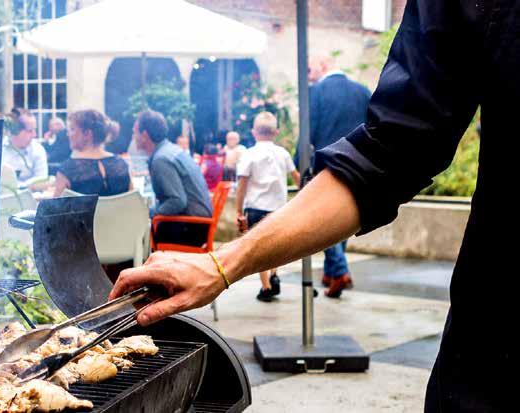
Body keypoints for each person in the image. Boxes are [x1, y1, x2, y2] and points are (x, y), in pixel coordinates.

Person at [112, 0, 516, 410]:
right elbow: (390, 153)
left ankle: (335, 272)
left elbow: (376, 153)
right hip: (494, 354)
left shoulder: (319, 95)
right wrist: (221, 264)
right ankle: (337, 272)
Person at [294, 55, 371, 298]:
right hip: (359, 162)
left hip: (327, 162)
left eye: (310, 68)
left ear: (324, 65)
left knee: (323, 218)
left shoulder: (315, 92)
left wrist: (298, 164)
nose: (308, 74)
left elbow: (308, 131)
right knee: (344, 215)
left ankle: (339, 271)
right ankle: (330, 272)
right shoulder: (362, 91)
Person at [237, 112, 300, 302]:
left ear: (254, 132)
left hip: (256, 208)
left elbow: (242, 185)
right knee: (275, 247)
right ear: (276, 133)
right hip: (279, 209)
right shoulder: (283, 153)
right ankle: (274, 274)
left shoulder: (249, 154)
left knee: (259, 249)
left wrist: (239, 211)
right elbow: (297, 178)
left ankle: (265, 287)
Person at [134, 110, 212, 247]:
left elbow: (177, 201)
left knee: (136, 230)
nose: (134, 137)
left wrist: (151, 213)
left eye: (135, 132)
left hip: (191, 227)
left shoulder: (161, 159)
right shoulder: (170, 150)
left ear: (145, 135)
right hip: (198, 222)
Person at [53, 109, 131, 197]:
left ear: (87, 134)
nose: (68, 134)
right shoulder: (121, 165)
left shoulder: (67, 171)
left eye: (72, 129)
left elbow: (54, 210)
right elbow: (134, 202)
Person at [2, 109, 48, 184]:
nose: (34, 135)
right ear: (15, 131)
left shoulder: (38, 150)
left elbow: (41, 181)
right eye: (30, 131)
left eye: (34, 130)